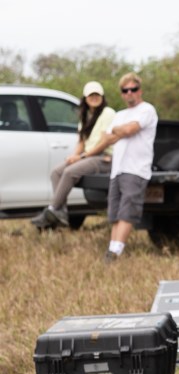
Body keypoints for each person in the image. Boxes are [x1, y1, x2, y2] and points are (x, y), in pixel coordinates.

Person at [87, 72, 158, 260]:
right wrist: (121, 131)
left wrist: (118, 131)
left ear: (139, 90)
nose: (129, 93)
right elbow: (106, 138)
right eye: (125, 90)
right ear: (121, 94)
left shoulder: (147, 110)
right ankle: (112, 249)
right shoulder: (120, 114)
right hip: (117, 168)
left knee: (128, 209)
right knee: (115, 211)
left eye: (133, 89)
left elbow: (128, 130)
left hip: (136, 169)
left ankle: (117, 249)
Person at [31, 81, 116, 228]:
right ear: (85, 98)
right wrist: (74, 156)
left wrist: (82, 157)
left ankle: (52, 209)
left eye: (97, 94)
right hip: (90, 156)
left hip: (105, 157)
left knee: (70, 172)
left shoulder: (108, 113)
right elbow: (81, 142)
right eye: (91, 95)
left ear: (102, 97)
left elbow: (104, 143)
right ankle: (61, 212)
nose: (94, 97)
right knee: (57, 172)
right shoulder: (86, 116)